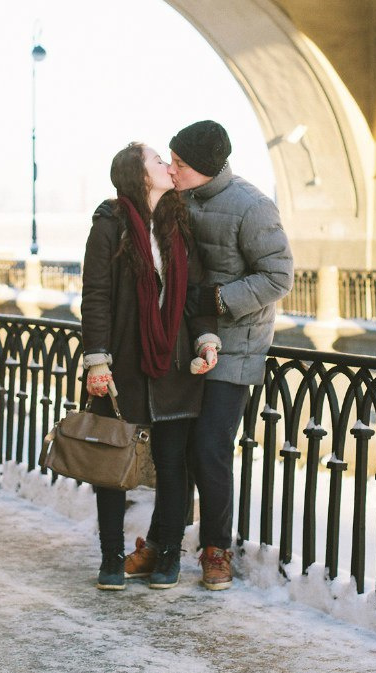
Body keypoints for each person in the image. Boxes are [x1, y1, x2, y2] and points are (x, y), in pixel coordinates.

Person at [80, 142, 220, 591]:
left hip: (176, 363)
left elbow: (196, 292)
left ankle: (168, 557)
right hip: (124, 362)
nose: (166, 165)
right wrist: (97, 360)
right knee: (112, 462)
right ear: (138, 174)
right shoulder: (110, 224)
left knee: (172, 463)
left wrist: (205, 340)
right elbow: (96, 295)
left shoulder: (178, 225)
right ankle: (110, 558)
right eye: (157, 160)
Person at [167, 119, 294, 590]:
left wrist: (218, 301)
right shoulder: (177, 199)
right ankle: (168, 541)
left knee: (210, 449)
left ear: (201, 167)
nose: (172, 169)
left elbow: (279, 276)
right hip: (186, 347)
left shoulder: (252, 207)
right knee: (174, 447)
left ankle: (217, 548)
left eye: (179, 163)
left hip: (237, 349)